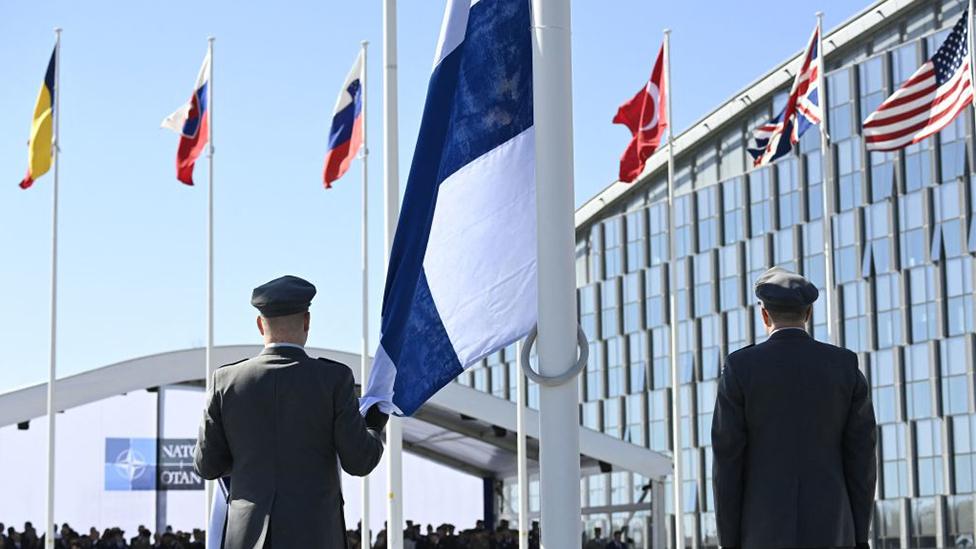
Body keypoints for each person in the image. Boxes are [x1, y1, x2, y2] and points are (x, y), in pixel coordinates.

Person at [194, 275, 387, 548]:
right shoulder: (333, 379)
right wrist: (374, 427)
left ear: (260, 324)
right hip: (316, 536)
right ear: (307, 321)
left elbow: (207, 465)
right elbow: (359, 461)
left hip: (248, 538)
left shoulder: (225, 381)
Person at [711, 267, 877, 549]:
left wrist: (729, 543)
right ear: (809, 313)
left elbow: (727, 464)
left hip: (762, 535)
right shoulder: (844, 367)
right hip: (834, 533)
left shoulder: (740, 369)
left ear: (765, 315)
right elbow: (862, 462)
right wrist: (859, 538)